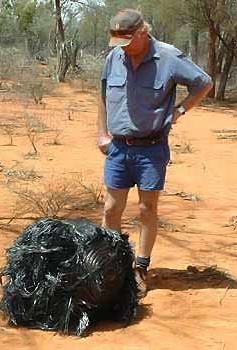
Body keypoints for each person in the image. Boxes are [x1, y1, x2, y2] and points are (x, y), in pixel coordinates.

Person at [97, 8, 213, 298]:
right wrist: (101, 133)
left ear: (142, 33)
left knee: (147, 209)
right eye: (118, 42)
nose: (122, 48)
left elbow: (204, 83)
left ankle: (140, 268)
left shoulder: (168, 56)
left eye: (127, 41)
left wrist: (180, 110)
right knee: (111, 209)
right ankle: (111, 264)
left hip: (152, 149)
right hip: (119, 147)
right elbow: (101, 95)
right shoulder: (114, 57)